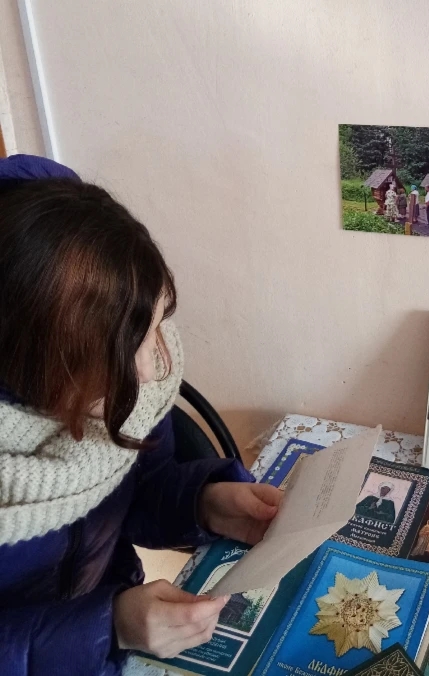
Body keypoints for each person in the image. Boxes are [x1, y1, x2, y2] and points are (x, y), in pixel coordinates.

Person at [0, 154, 283, 674]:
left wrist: (203, 504)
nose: (153, 372)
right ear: (45, 361)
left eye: (156, 329)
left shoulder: (122, 378)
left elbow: (138, 486)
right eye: (128, 351)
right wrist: (106, 627)